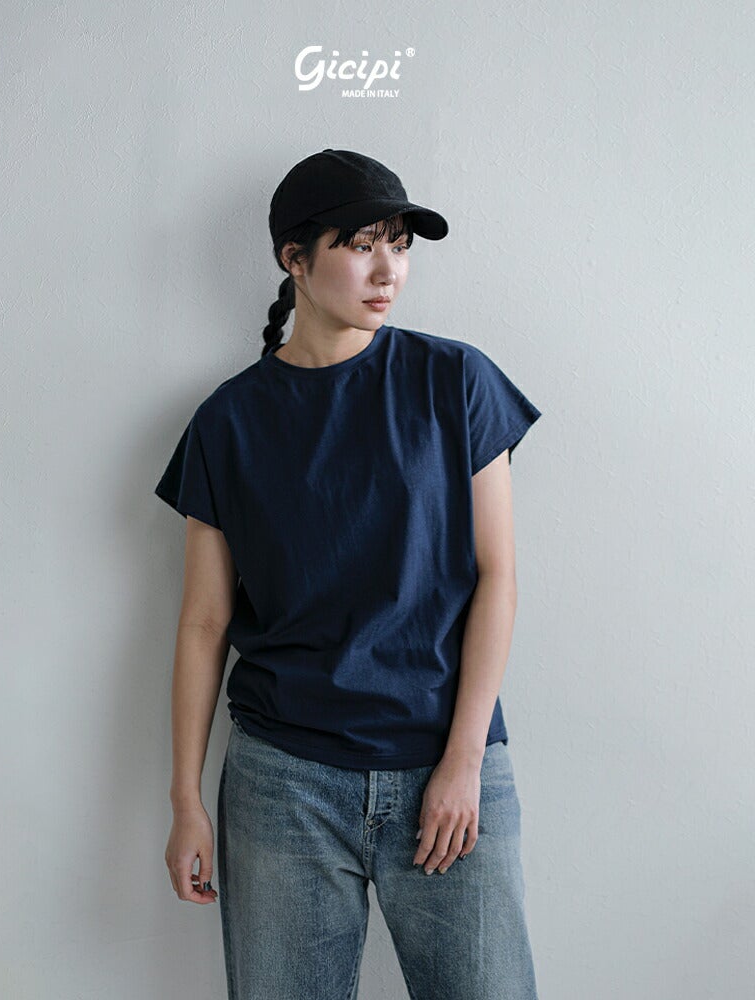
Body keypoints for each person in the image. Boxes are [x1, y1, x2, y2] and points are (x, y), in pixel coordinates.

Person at [155, 148, 542, 999]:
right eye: (361, 244)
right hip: (283, 783)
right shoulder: (228, 421)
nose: (387, 269)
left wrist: (463, 763)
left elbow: (498, 578)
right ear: (294, 259)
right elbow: (204, 622)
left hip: (447, 768)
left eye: (398, 245)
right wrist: (186, 800)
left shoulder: (455, 382)